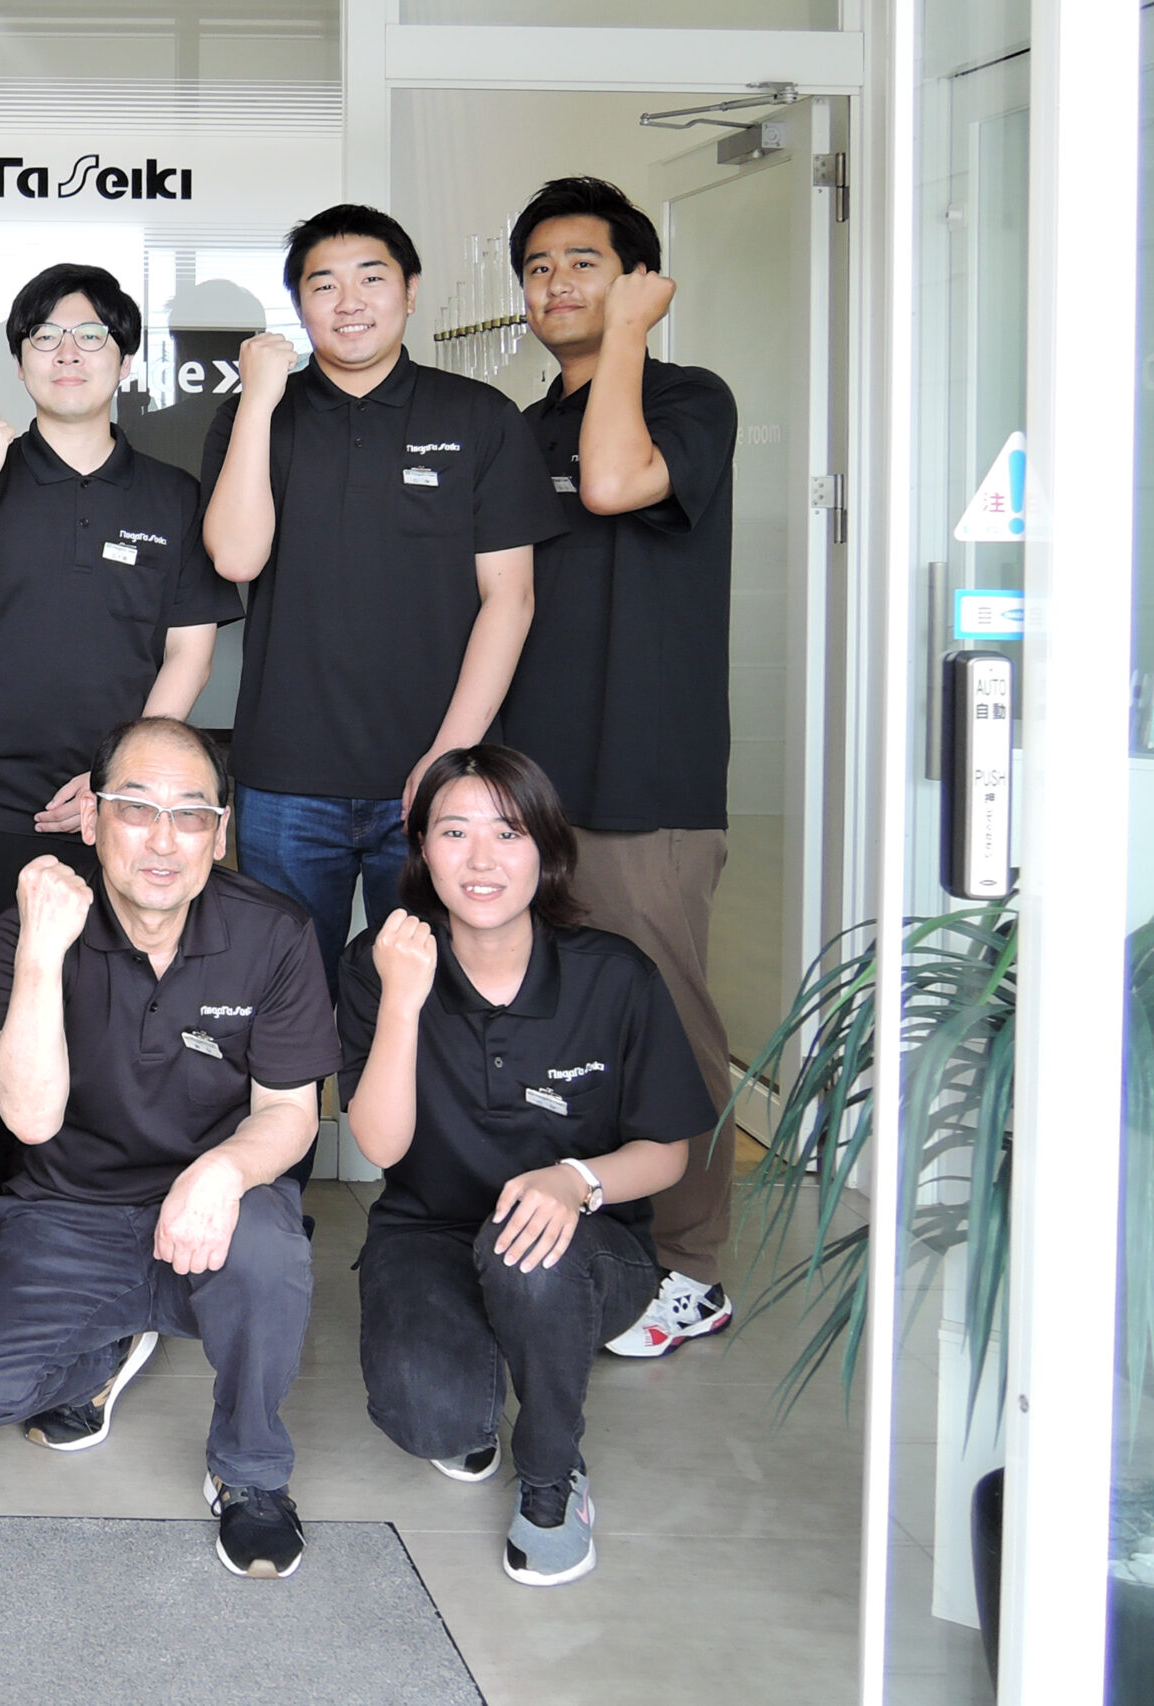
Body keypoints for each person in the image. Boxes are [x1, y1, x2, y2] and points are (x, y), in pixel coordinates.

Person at [0, 718, 338, 1581]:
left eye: (190, 815)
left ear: (220, 833)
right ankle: (108, 1345)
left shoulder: (275, 934)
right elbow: (30, 1120)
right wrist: (42, 953)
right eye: (137, 808)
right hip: (68, 1212)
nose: (162, 839)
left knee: (270, 1250)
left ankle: (251, 1471)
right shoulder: (30, 927)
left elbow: (291, 1114)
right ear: (92, 818)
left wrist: (221, 1171)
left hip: (214, 1212)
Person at [0, 263, 243, 1235]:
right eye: (46, 337)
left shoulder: (170, 495)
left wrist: (116, 785)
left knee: (114, 1012)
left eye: (91, 335)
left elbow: (188, 652)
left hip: (120, 812)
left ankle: (92, 1213)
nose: (68, 353)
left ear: (123, 359)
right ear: (19, 361)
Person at [338, 745, 712, 1588]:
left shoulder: (614, 976)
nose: (480, 860)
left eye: (507, 833)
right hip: (429, 1229)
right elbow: (381, 1147)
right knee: (431, 1420)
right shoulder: (380, 965)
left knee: (529, 1258)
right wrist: (403, 1000)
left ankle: (552, 1476)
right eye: (454, 832)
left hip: (586, 1244)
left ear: (546, 847)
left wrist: (575, 1182)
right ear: (421, 849)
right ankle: (480, 1367)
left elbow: (667, 1152)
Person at [200, 205, 563, 1035]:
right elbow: (236, 558)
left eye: (371, 278)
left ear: (410, 291)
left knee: (442, 1009)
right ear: (299, 304)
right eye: (323, 285)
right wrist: (257, 400)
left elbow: (511, 598)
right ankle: (286, 1134)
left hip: (440, 777)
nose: (350, 302)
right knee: (280, 1010)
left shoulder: (478, 418)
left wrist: (447, 760)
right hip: (287, 779)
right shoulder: (259, 416)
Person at [497, 177, 743, 1358]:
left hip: (647, 782)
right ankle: (586, 1233)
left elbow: (613, 484)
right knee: (555, 1021)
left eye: (583, 263)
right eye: (537, 268)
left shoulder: (689, 399)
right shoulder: (521, 430)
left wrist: (632, 336)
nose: (556, 285)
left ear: (637, 279)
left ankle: (690, 1265)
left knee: (668, 1020)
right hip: (532, 787)